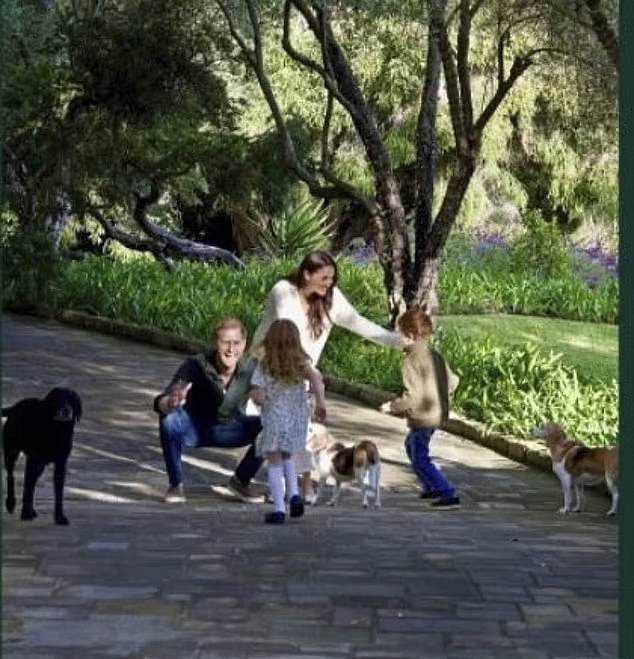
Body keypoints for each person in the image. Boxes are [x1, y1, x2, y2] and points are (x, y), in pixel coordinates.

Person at [252, 250, 406, 502]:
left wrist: (396, 341)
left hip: (302, 374)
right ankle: (266, 484)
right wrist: (310, 373)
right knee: (267, 429)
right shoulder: (283, 291)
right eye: (324, 278)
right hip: (269, 368)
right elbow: (289, 333)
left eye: (332, 278)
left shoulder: (331, 299)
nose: (329, 284)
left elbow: (358, 323)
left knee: (300, 432)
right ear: (306, 274)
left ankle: (298, 489)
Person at [153, 317, 264, 503]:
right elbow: (160, 401)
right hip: (194, 429)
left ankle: (241, 481)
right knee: (169, 420)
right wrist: (171, 402)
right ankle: (175, 485)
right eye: (225, 343)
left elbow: (268, 395)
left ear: (244, 344)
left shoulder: (251, 368)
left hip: (230, 428)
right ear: (215, 343)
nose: (230, 349)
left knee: (272, 426)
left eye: (236, 343)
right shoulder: (197, 364)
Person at [379, 307, 461, 509]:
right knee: (412, 446)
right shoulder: (435, 355)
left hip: (423, 417)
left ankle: (446, 491)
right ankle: (430, 486)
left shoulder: (411, 361)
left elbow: (412, 396)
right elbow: (454, 381)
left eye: (401, 333)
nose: (398, 337)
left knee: (420, 457)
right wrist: (441, 395)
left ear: (411, 336)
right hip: (438, 413)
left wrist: (392, 406)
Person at [250, 319, 327, 524]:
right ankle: (294, 495)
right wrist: (321, 404)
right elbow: (317, 381)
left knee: (274, 462)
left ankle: (279, 508)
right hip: (297, 421)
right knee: (288, 456)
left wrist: (259, 398)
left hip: (275, 419)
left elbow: (257, 394)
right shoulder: (301, 364)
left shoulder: (264, 367)